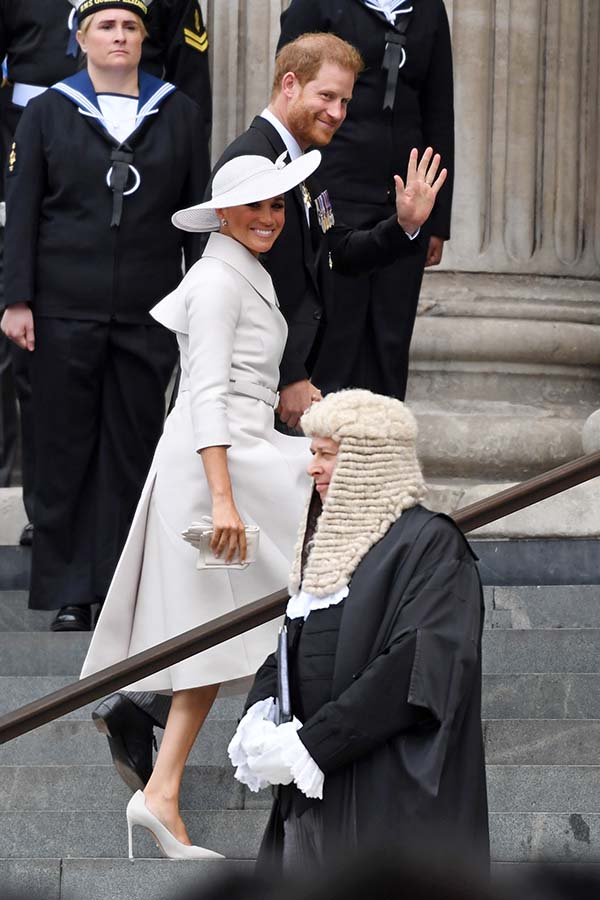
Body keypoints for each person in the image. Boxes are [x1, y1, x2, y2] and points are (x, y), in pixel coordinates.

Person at [91, 29, 448, 791]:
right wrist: (288, 377)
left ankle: (175, 701)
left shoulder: (299, 176)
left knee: (268, 563)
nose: (339, 112)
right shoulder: (248, 165)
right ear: (288, 84)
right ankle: (239, 704)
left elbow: (336, 253)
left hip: (267, 397)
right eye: (327, 96)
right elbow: (226, 313)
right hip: (246, 407)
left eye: (347, 102)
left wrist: (407, 227)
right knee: (284, 550)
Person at [80, 150, 324, 859]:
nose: (271, 218)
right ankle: (160, 787)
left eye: (278, 206)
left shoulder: (236, 272)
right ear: (222, 214)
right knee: (218, 633)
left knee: (220, 636)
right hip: (215, 463)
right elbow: (208, 391)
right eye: (256, 205)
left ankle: (160, 790)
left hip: (242, 452)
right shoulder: (217, 280)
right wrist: (222, 498)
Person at [0, 0, 210, 631]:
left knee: (131, 449)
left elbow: (195, 217)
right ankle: (70, 591)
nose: (119, 37)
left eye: (130, 27)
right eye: (106, 27)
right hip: (63, 307)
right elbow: (25, 210)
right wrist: (15, 300)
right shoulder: (46, 113)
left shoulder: (178, 115)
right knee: (63, 448)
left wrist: (196, 301)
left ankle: (123, 586)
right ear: (82, 39)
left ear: (146, 39)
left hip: (146, 311)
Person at [228, 389, 489, 870]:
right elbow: (291, 644)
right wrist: (258, 714)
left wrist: (314, 746)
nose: (313, 469)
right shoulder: (323, 548)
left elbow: (416, 666)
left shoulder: (431, 544)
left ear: (369, 463)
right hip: (311, 795)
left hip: (385, 793)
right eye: (313, 454)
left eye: (327, 455)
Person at [278, 0, 454, 400]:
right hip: (335, 192)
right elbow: (291, 91)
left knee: (390, 342)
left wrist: (436, 219)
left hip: (403, 201)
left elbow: (440, 108)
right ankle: (322, 454)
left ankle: (381, 452)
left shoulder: (427, 9)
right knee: (336, 338)